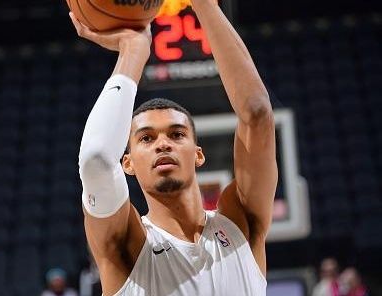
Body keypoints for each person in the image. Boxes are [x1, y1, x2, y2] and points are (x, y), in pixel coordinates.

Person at [71, 0, 277, 294]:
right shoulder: (127, 246)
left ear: (198, 153)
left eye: (177, 134)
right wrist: (133, 50)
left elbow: (257, 113)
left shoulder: (241, 223)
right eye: (146, 138)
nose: (163, 144)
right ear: (127, 163)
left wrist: (205, 5)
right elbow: (95, 159)